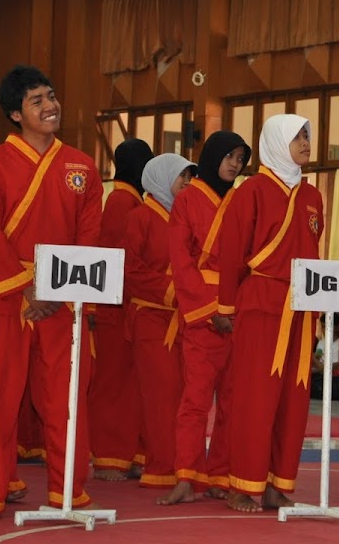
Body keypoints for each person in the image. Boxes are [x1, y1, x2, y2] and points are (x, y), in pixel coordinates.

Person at [0, 65, 103, 520]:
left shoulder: (82, 164)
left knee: (64, 397)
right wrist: (24, 288)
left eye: (52, 95)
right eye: (37, 99)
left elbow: (89, 234)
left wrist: (62, 287)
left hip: (59, 300)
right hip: (7, 298)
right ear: (16, 114)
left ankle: (68, 493)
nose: (50, 105)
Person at [220, 114, 324, 514]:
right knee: (255, 397)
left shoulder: (312, 195)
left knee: (294, 400)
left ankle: (278, 483)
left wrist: (315, 312)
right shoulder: (252, 191)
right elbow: (232, 252)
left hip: (300, 306)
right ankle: (243, 483)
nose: (305, 142)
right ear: (277, 141)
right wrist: (227, 305)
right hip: (262, 302)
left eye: (307, 136)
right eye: (297, 136)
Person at [160, 131, 251, 505]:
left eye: (241, 158)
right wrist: (210, 311)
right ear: (212, 156)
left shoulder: (245, 200)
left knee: (234, 400)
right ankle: (187, 475)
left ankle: (221, 474)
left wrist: (238, 308)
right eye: (229, 156)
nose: (234, 164)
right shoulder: (188, 200)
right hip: (202, 315)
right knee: (195, 400)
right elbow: (180, 262)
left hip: (241, 311)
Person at [123, 154, 196, 492]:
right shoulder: (139, 218)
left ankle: (179, 464)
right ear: (161, 177)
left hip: (181, 318)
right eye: (181, 175)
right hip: (151, 318)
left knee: (179, 394)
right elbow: (130, 268)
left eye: (188, 176)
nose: (186, 182)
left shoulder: (185, 217)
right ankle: (162, 467)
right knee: (160, 395)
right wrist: (172, 292)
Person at [90, 138, 154, 482]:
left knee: (128, 385)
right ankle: (109, 456)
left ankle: (126, 453)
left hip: (123, 305)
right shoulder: (120, 201)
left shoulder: (128, 199)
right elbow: (119, 259)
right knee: (113, 384)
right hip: (115, 306)